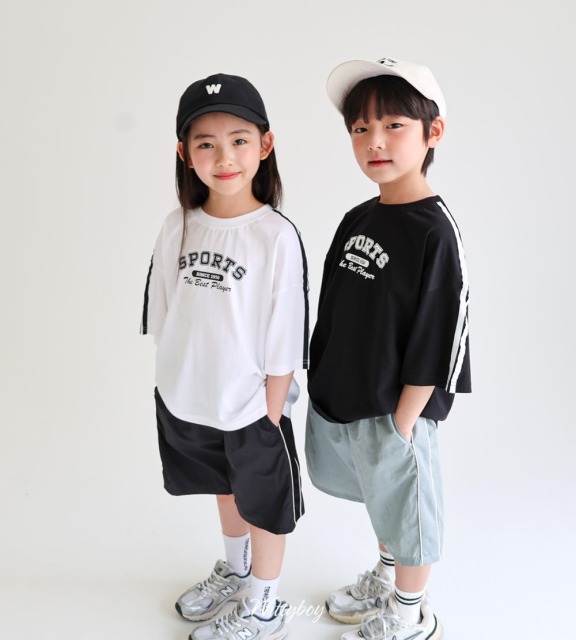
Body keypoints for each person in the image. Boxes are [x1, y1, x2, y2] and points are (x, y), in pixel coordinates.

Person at [305, 56, 471, 640]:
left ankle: (410, 613)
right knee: (383, 502)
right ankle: (384, 576)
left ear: (433, 132)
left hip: (399, 407)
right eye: (360, 128)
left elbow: (442, 332)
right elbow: (334, 307)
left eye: (394, 125)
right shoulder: (358, 217)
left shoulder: (435, 232)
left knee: (411, 511)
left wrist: (405, 421)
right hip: (351, 397)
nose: (375, 141)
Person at [141, 72, 309, 640]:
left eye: (239, 140)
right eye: (206, 144)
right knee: (225, 486)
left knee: (264, 502)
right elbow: (163, 309)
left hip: (253, 405)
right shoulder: (178, 226)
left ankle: (264, 604)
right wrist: (175, 380)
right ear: (185, 154)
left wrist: (272, 409)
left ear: (265, 145)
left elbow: (287, 329)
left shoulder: (275, 235)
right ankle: (237, 572)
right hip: (193, 397)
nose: (224, 157)